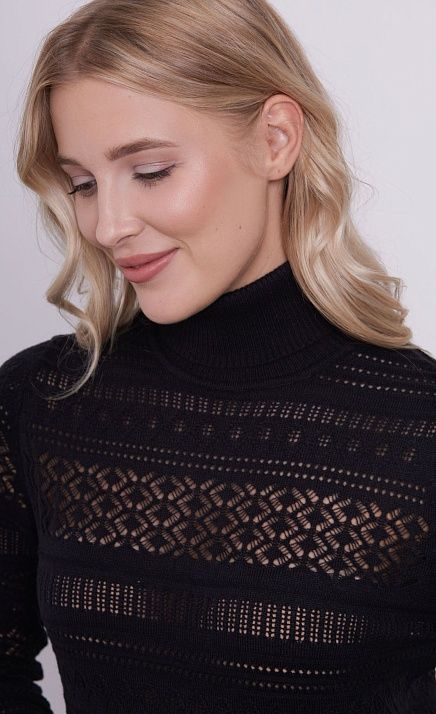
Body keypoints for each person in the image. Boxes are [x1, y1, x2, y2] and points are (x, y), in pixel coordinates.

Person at [1, 1, 435, 712]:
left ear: (276, 139)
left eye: (149, 170)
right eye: (82, 183)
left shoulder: (420, 430)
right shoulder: (39, 400)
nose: (107, 226)